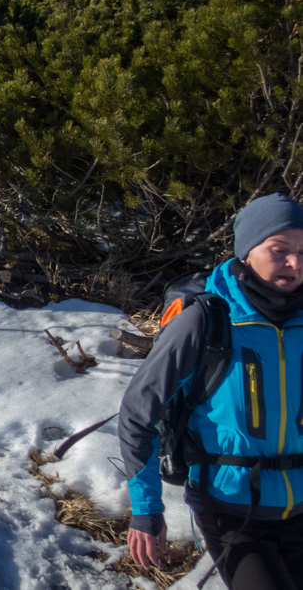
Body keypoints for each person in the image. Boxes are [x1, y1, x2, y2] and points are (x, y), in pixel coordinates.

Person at [119, 193, 303, 589]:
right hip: (232, 511)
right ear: (247, 251)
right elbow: (138, 413)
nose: (295, 263)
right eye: (280, 250)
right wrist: (146, 510)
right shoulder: (206, 321)